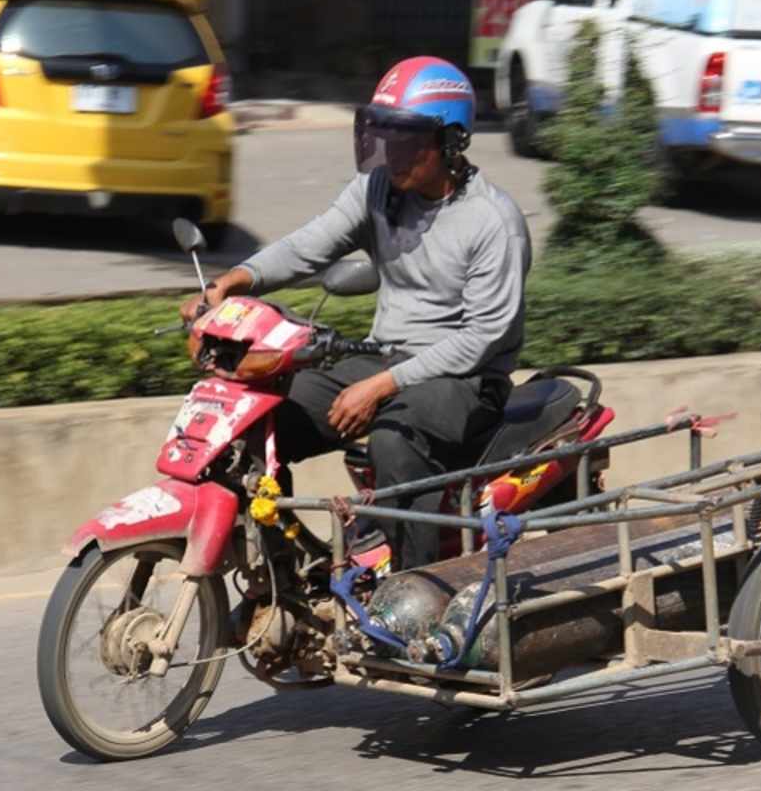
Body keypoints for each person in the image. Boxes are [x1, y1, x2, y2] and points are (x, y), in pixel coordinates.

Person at [181, 57, 531, 570]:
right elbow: (310, 245)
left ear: (451, 143)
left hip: (467, 381)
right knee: (257, 420)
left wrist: (382, 386)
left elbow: (480, 338)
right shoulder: (379, 191)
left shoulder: (492, 222)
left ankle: (414, 592)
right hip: (385, 358)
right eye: (384, 136)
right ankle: (281, 578)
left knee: (395, 444)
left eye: (408, 140)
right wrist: (235, 279)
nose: (392, 153)